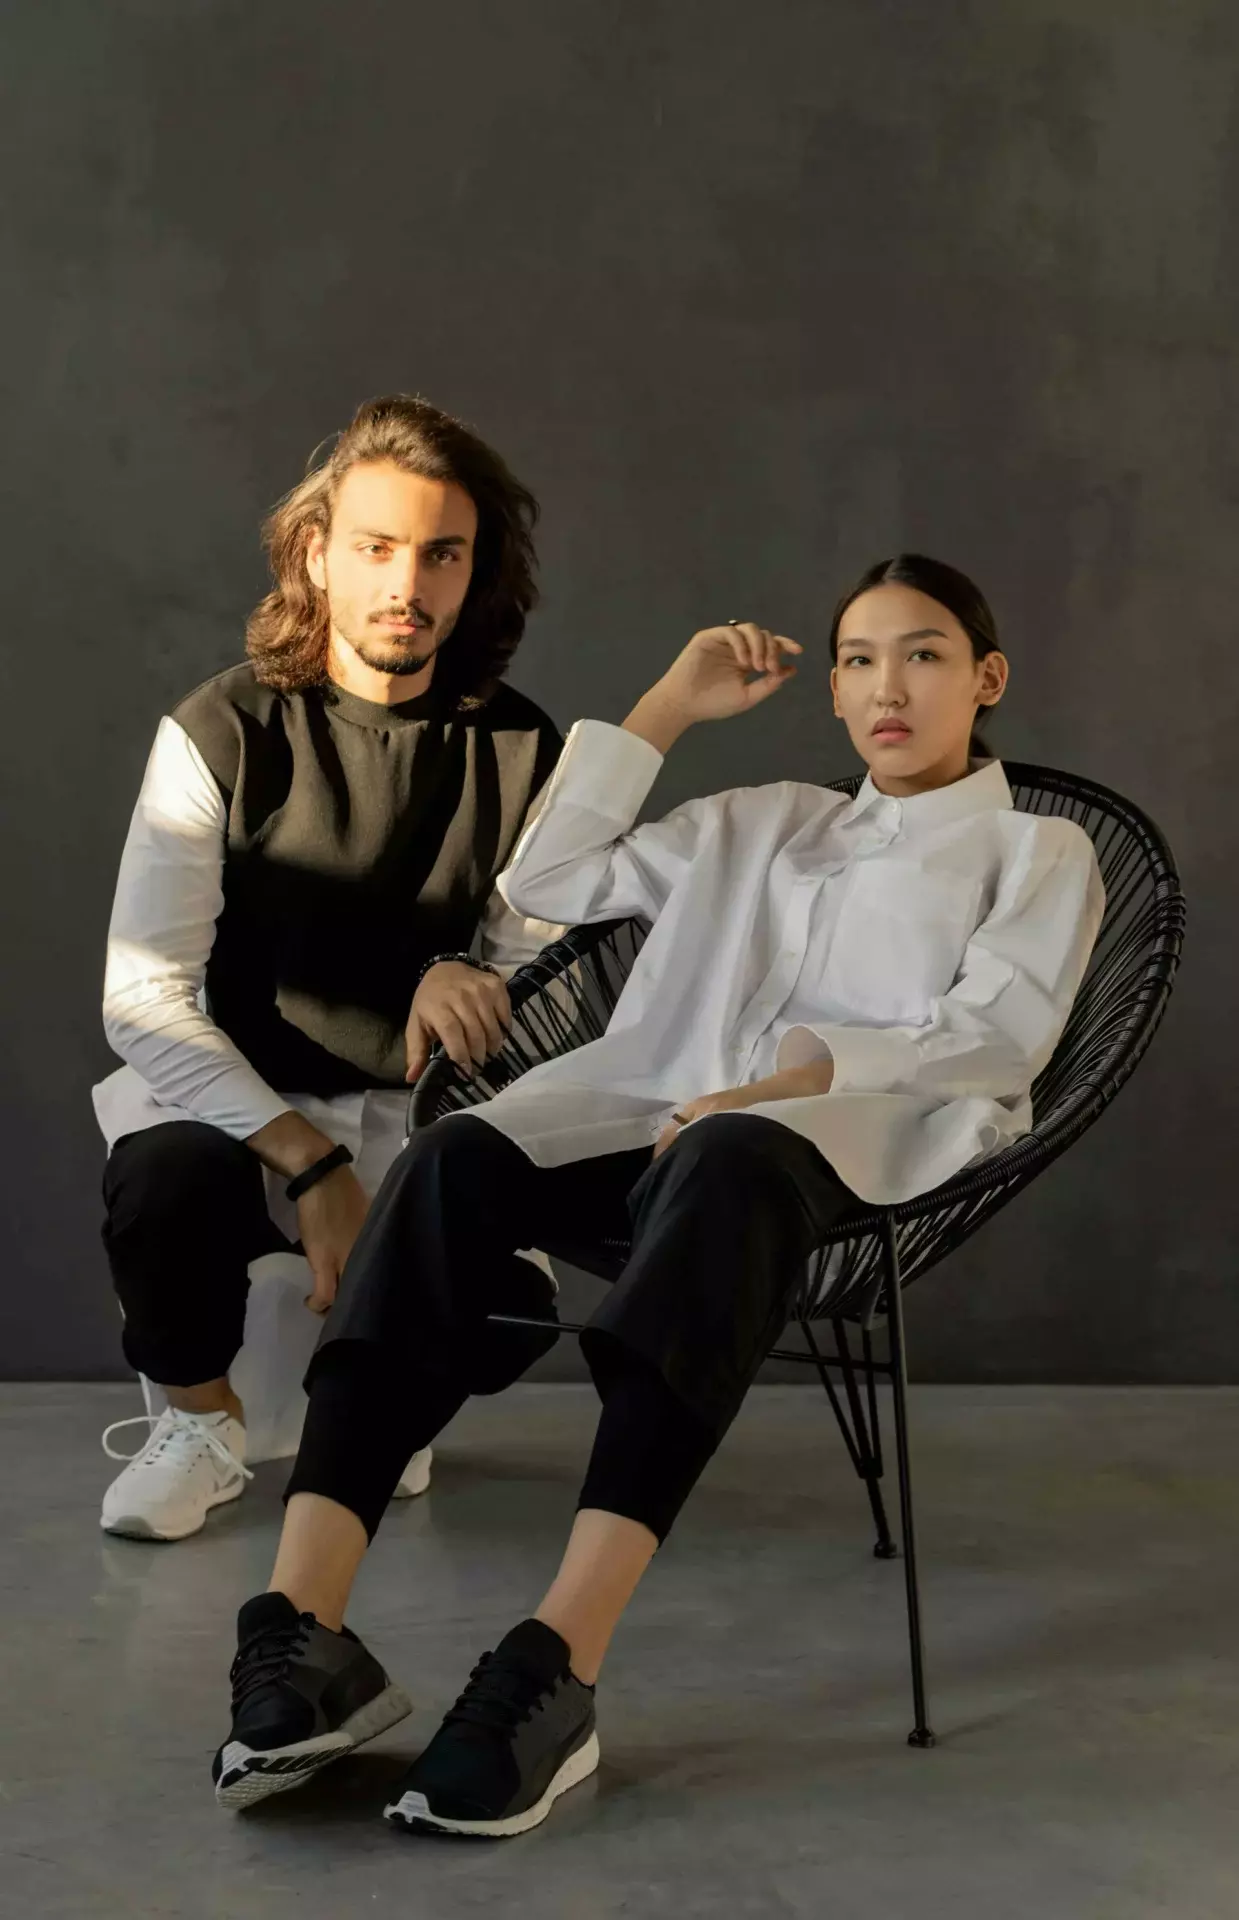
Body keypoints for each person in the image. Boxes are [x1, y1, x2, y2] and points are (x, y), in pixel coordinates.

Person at [210, 554, 1105, 1835]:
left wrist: (778, 1087)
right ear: (834, 692)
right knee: (451, 1160)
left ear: (988, 677)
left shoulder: (1037, 851)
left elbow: (995, 1035)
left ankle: (557, 1664)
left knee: (727, 1161)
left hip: (844, 1150)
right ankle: (307, 1631)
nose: (886, 688)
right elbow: (545, 887)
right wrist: (670, 707)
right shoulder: (762, 820)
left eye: (923, 656)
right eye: (858, 661)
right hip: (646, 1119)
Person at [94, 394, 565, 1543]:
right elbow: (142, 998)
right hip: (240, 1109)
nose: (409, 583)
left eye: (442, 553)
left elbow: (535, 983)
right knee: (163, 1184)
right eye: (377, 547)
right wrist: (311, 1166)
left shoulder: (522, 749)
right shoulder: (220, 730)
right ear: (317, 553)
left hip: (416, 1109)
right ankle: (200, 1422)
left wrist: (460, 973)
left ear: (475, 570)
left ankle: (378, 1406)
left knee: (515, 1309)